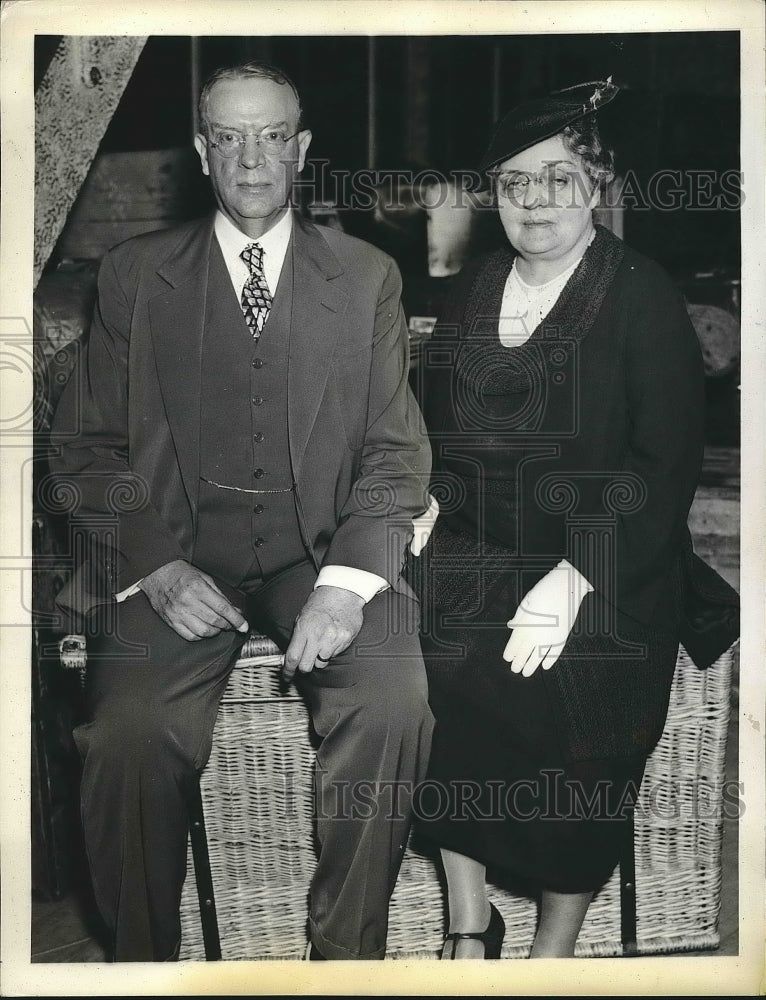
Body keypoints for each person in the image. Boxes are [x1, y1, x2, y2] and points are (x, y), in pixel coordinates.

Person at [49, 60, 434, 962]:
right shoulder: (136, 276)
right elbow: (81, 451)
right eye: (230, 137)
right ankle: (142, 964)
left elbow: (394, 449)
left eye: (270, 138)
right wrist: (158, 565)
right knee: (126, 736)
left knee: (394, 701)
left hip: (322, 554)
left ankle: (345, 963)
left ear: (299, 150)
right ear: (201, 151)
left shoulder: (367, 274)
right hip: (178, 556)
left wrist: (345, 588)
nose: (251, 159)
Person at [413, 80, 705, 958]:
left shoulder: (641, 296)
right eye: (513, 184)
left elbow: (665, 469)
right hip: (482, 543)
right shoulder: (473, 289)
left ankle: (556, 945)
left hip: (615, 556)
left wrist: (575, 576)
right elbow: (438, 432)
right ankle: (469, 921)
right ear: (492, 195)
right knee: (430, 652)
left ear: (596, 187)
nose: (534, 202)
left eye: (558, 179)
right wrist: (425, 504)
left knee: (583, 691)